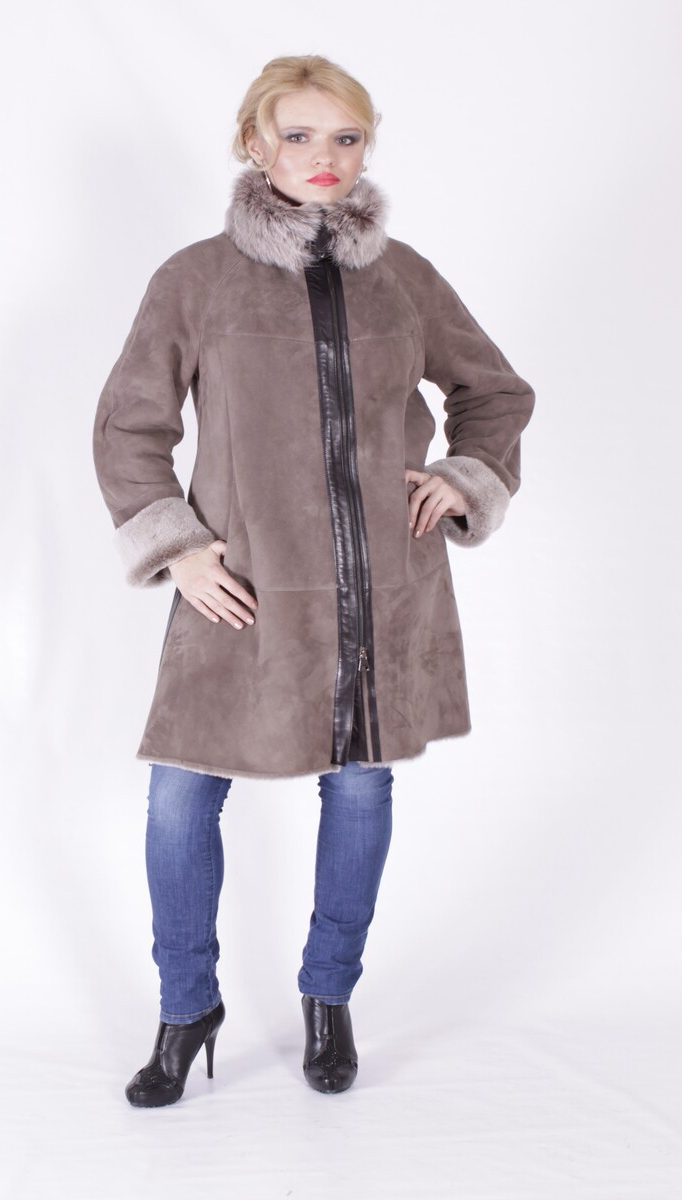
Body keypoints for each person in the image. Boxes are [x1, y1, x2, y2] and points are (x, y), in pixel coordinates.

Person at [92, 54, 535, 1107]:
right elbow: (129, 426)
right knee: (179, 795)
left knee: (363, 785)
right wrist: (179, 547)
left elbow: (493, 392)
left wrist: (462, 477)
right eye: (298, 135)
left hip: (380, 588)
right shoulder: (196, 279)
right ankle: (185, 1006)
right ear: (255, 143)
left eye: (345, 137)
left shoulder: (404, 276)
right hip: (239, 586)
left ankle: (328, 996)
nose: (323, 157)